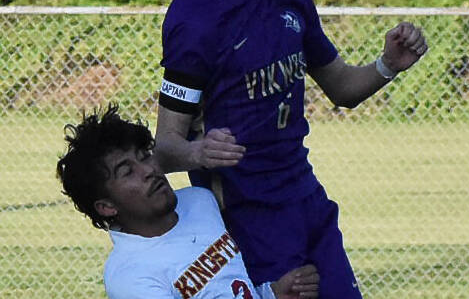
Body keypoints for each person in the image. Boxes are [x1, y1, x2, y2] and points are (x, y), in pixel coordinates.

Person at [155, 0, 428, 298]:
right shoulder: (196, 19)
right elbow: (165, 147)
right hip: (248, 218)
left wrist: (387, 66)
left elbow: (341, 88)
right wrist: (200, 153)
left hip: (307, 202)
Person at [56, 105, 320, 299]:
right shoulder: (129, 276)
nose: (148, 170)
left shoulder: (200, 202)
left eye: (144, 156)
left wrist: (272, 294)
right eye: (127, 171)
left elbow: (229, 288)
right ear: (106, 207)